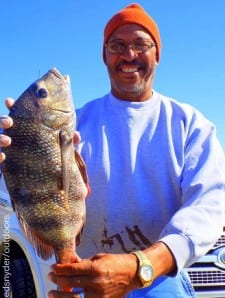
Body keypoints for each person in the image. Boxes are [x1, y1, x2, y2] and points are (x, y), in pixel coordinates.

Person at [1, 3, 225, 298]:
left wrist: (141, 266)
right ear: (104, 56)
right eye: (117, 45)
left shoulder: (189, 125)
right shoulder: (78, 126)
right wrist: (9, 158)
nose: (129, 54)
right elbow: (21, 195)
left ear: (157, 53)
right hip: (84, 276)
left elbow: (210, 203)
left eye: (141, 44)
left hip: (158, 279)